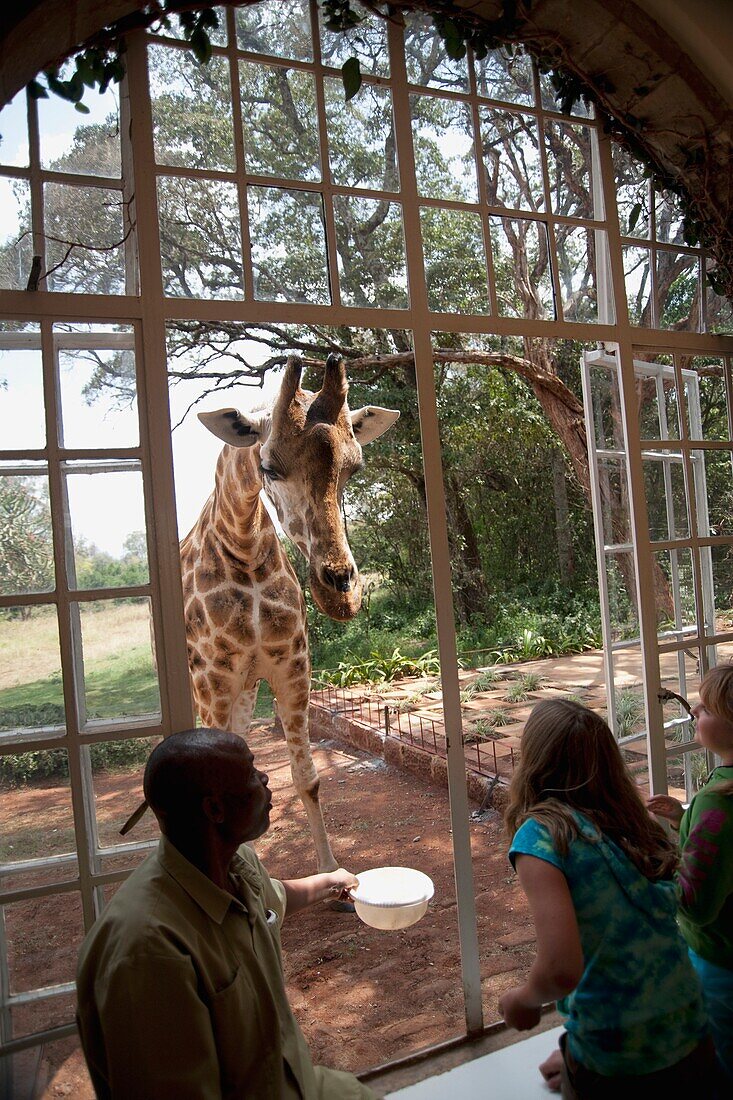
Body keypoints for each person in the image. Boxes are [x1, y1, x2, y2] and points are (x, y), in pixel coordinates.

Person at [75, 728, 377, 1100]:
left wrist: (332, 880)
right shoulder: (150, 954)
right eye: (252, 773)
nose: (265, 778)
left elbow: (276, 898)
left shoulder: (234, 865)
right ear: (214, 809)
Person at [498, 698, 718, 1099]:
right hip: (689, 1035)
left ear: (534, 761)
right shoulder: (634, 822)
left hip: (620, 1061)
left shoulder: (542, 838)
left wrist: (521, 1001)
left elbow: (562, 970)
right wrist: (570, 1052)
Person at [647, 662, 733, 1085]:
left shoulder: (718, 804)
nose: (694, 711)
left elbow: (695, 904)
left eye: (707, 707)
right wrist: (684, 818)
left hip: (720, 962)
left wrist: (650, 872)